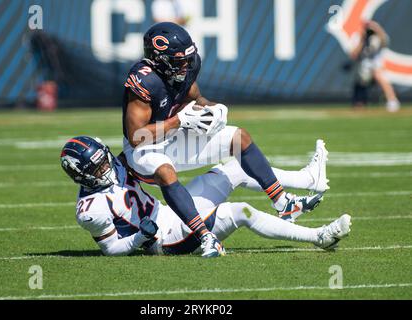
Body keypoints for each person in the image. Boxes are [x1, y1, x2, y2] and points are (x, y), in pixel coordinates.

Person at [122, 22, 328, 257]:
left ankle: (283, 203)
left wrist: (214, 108)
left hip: (174, 137)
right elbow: (137, 136)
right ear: (159, 60)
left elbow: (197, 98)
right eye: (179, 61)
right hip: (144, 151)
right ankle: (204, 236)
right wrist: (179, 120)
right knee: (166, 171)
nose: (187, 66)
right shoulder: (143, 80)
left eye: (189, 59)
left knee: (239, 137)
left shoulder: (186, 68)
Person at [60, 136, 351, 257]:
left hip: (170, 211)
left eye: (105, 160)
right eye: (97, 166)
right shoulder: (90, 208)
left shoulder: (117, 163)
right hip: (165, 237)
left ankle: (306, 181)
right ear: (80, 173)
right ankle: (319, 237)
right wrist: (139, 239)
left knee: (236, 167)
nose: (107, 166)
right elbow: (110, 248)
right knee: (240, 212)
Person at [349, 20, 400, 112]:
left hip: (376, 64)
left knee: (379, 75)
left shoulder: (378, 37)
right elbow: (353, 54)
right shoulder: (357, 37)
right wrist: (362, 39)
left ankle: (392, 101)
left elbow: (385, 42)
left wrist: (377, 29)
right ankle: (359, 102)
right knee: (360, 79)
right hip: (362, 66)